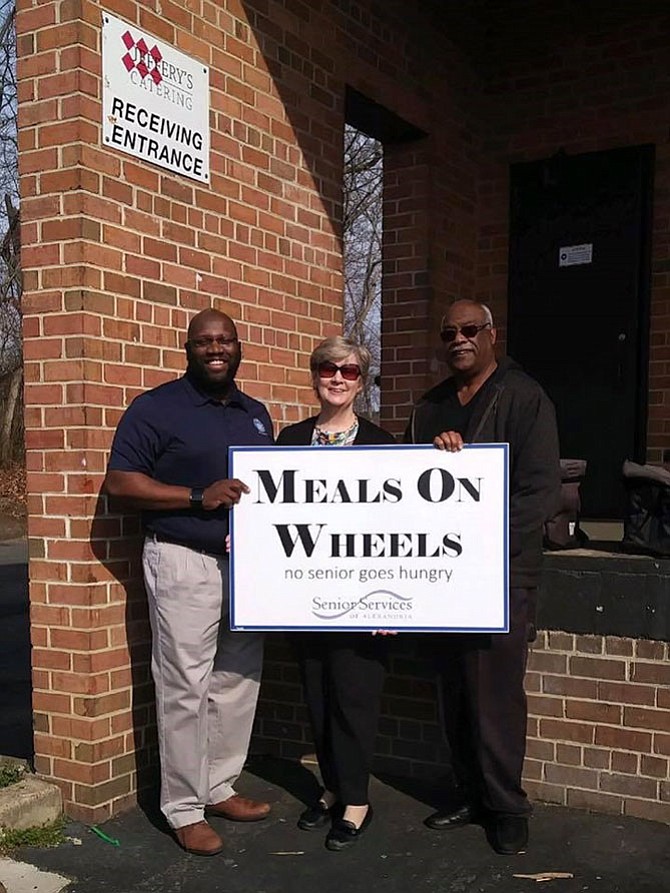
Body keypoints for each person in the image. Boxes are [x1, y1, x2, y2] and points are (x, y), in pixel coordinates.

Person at [104, 309, 273, 857]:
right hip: (182, 560)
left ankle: (218, 785)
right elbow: (121, 485)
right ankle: (183, 807)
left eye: (225, 340)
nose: (216, 349)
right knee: (184, 686)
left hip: (247, 566)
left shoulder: (256, 414)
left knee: (237, 679)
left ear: (239, 347)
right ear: (188, 348)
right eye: (205, 341)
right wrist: (198, 496)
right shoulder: (157, 408)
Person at [405, 299, 560, 855]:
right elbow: (406, 484)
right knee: (453, 692)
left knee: (495, 694)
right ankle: (469, 794)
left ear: (493, 334)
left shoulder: (524, 397)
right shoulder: (430, 409)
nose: (459, 339)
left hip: (500, 576)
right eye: (448, 332)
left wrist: (479, 548)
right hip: (439, 577)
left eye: (470, 330)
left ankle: (506, 806)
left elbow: (538, 491)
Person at [276, 335, 396, 851]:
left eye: (350, 372)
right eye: (329, 369)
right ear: (315, 375)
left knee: (353, 697)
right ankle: (331, 787)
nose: (338, 379)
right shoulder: (289, 439)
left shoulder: (385, 444)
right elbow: (275, 510)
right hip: (308, 596)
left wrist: (396, 603)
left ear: (361, 381)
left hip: (366, 598)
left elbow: (404, 529)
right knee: (318, 695)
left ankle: (357, 800)